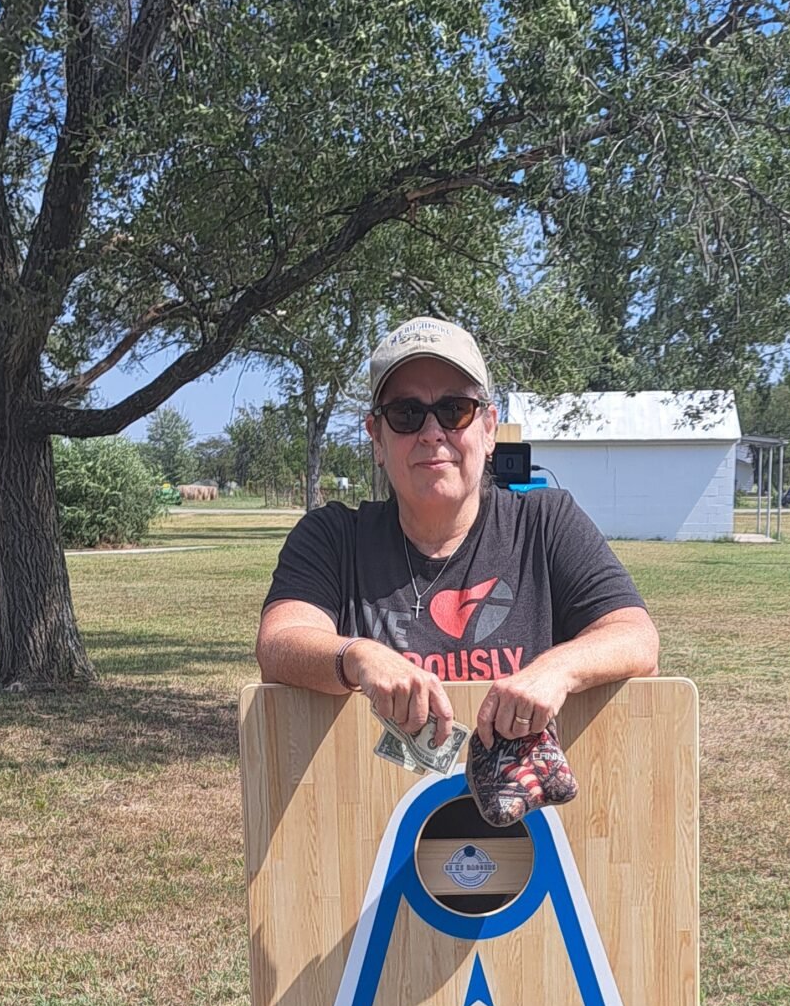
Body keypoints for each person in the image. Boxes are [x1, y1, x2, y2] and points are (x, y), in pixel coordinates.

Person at [255, 315, 659, 770]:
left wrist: (556, 669)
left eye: (455, 410)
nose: (432, 433)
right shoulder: (333, 538)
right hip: (378, 810)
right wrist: (359, 656)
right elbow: (279, 644)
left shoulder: (546, 523)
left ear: (489, 429)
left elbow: (636, 638)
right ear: (377, 439)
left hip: (527, 809)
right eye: (406, 414)